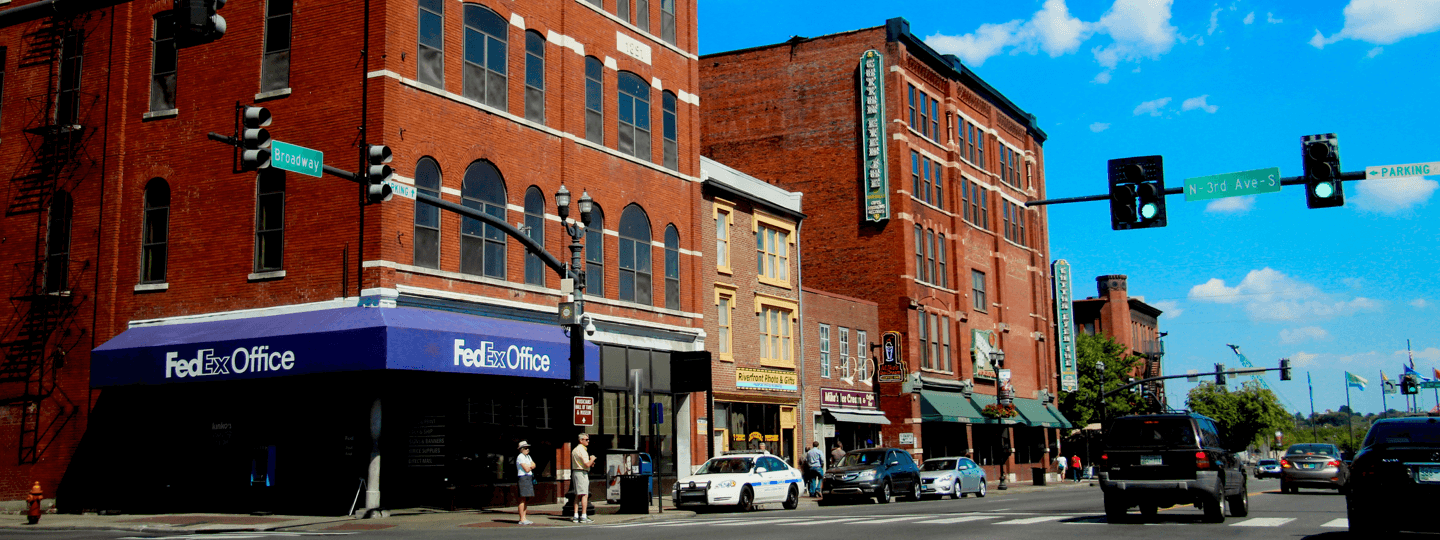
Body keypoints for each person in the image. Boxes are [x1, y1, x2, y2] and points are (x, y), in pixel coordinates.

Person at [572, 434, 597, 523]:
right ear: (581, 440)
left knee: (577, 495)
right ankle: (583, 516)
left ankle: (575, 515)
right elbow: (587, 464)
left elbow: (585, 464)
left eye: (588, 439)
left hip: (576, 471)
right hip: (582, 473)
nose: (588, 441)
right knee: (584, 495)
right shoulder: (582, 450)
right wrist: (592, 459)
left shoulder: (575, 450)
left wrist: (590, 463)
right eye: (586, 439)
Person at [516, 441, 536, 525]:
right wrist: (530, 466)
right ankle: (522, 519)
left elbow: (534, 465)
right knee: (522, 499)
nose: (527, 449)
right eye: (525, 448)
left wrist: (530, 466)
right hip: (523, 477)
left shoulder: (528, 456)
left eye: (528, 448)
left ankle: (524, 517)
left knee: (526, 499)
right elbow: (526, 469)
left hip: (529, 477)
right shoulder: (520, 457)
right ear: (521, 449)